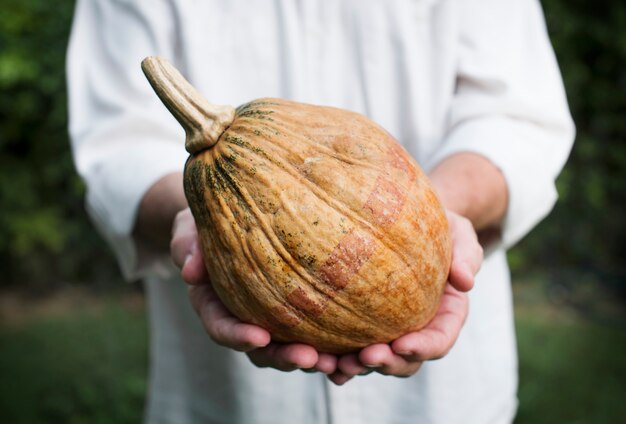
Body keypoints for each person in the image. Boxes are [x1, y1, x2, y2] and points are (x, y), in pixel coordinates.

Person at [67, 0, 574, 422]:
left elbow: (516, 118)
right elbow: (118, 144)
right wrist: (203, 219)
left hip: (444, 395)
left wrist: (426, 214)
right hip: (229, 394)